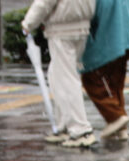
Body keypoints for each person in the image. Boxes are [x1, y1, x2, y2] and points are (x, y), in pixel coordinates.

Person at [23, 0, 98, 148]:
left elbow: (45, 2)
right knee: (57, 76)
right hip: (81, 25)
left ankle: (80, 129)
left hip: (62, 29)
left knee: (66, 79)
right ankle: (64, 124)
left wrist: (28, 23)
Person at [81, 0, 129, 141]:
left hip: (108, 42)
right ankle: (121, 127)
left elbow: (91, 14)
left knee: (91, 79)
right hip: (126, 39)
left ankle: (116, 117)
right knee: (116, 85)